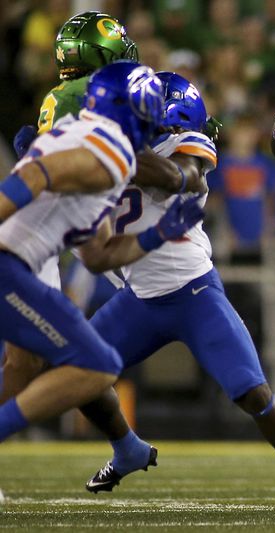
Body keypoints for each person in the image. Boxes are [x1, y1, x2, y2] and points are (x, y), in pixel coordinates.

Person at [76, 72, 275, 525]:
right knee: (74, 371)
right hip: (138, 298)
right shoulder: (111, 146)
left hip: (193, 293)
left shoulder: (183, 145)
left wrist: (108, 148)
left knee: (254, 394)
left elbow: (187, 179)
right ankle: (129, 450)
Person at [0, 61, 201, 443]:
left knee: (57, 363)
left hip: (17, 267)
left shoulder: (88, 136)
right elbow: (36, 175)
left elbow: (97, 255)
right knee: (93, 365)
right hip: (9, 263)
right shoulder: (112, 150)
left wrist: (157, 235)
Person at [4, 10, 140, 409]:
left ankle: (126, 446)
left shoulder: (64, 95)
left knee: (32, 358)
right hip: (56, 227)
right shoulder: (90, 93)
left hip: (59, 224)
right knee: (66, 357)